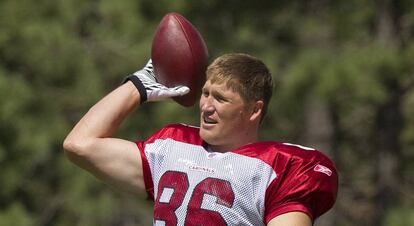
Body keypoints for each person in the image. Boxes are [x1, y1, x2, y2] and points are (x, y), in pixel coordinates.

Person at [63, 53, 338, 226]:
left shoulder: (280, 167)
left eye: (220, 98)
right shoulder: (173, 146)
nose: (206, 106)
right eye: (205, 93)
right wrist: (137, 87)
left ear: (254, 110)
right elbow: (80, 144)